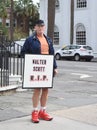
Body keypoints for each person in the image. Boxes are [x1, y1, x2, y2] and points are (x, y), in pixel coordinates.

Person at [21, 19, 58, 123]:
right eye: (38, 26)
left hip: (47, 68)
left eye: (42, 26)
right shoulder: (30, 40)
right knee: (37, 90)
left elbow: (52, 55)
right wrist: (32, 61)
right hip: (36, 69)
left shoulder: (49, 40)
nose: (40, 28)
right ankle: (35, 112)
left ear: (44, 27)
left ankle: (43, 111)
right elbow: (23, 52)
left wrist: (55, 67)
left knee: (46, 90)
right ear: (35, 28)